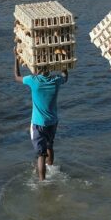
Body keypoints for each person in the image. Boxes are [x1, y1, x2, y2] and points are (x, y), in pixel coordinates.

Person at [13, 47, 68, 181]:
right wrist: (62, 61)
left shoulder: (33, 81)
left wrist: (16, 58)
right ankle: (51, 168)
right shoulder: (55, 81)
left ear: (37, 68)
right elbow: (65, 76)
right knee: (50, 146)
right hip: (53, 122)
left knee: (41, 155)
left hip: (38, 123)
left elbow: (16, 77)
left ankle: (42, 181)